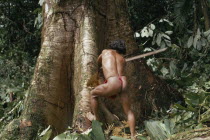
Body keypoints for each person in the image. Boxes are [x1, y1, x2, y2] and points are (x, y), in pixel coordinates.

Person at [90, 40, 136, 139]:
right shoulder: (122, 59)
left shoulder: (105, 52)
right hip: (123, 82)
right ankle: (133, 135)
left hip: (114, 81)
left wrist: (99, 68)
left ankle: (96, 118)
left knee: (93, 94)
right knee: (128, 111)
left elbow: (98, 61)